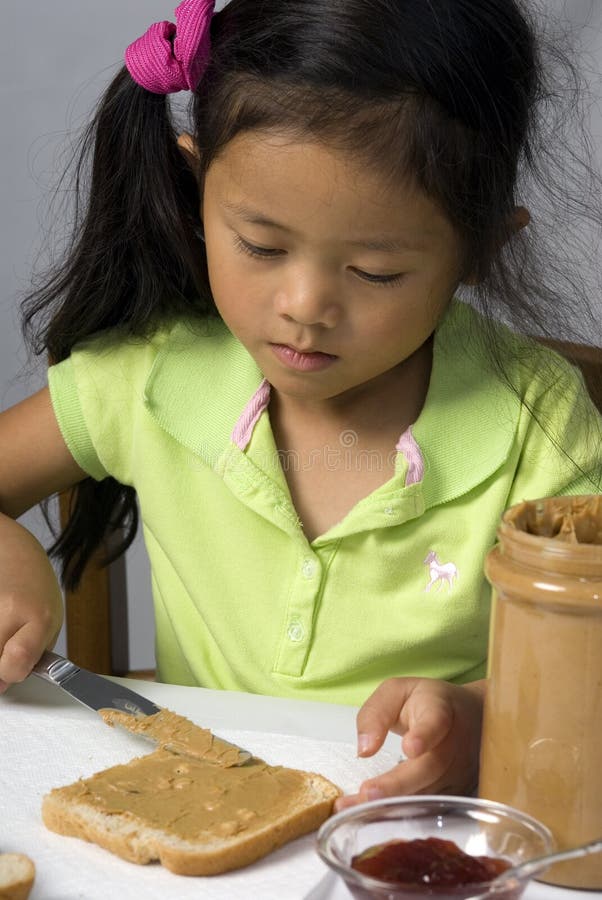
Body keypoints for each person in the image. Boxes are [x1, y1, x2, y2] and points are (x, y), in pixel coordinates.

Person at [1, 0, 600, 810]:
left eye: (377, 272)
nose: (305, 305)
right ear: (194, 191)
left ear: (480, 250)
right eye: (261, 245)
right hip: (211, 812)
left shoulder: (539, 427)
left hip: (425, 827)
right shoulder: (150, 379)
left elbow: (587, 668)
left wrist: (481, 718)